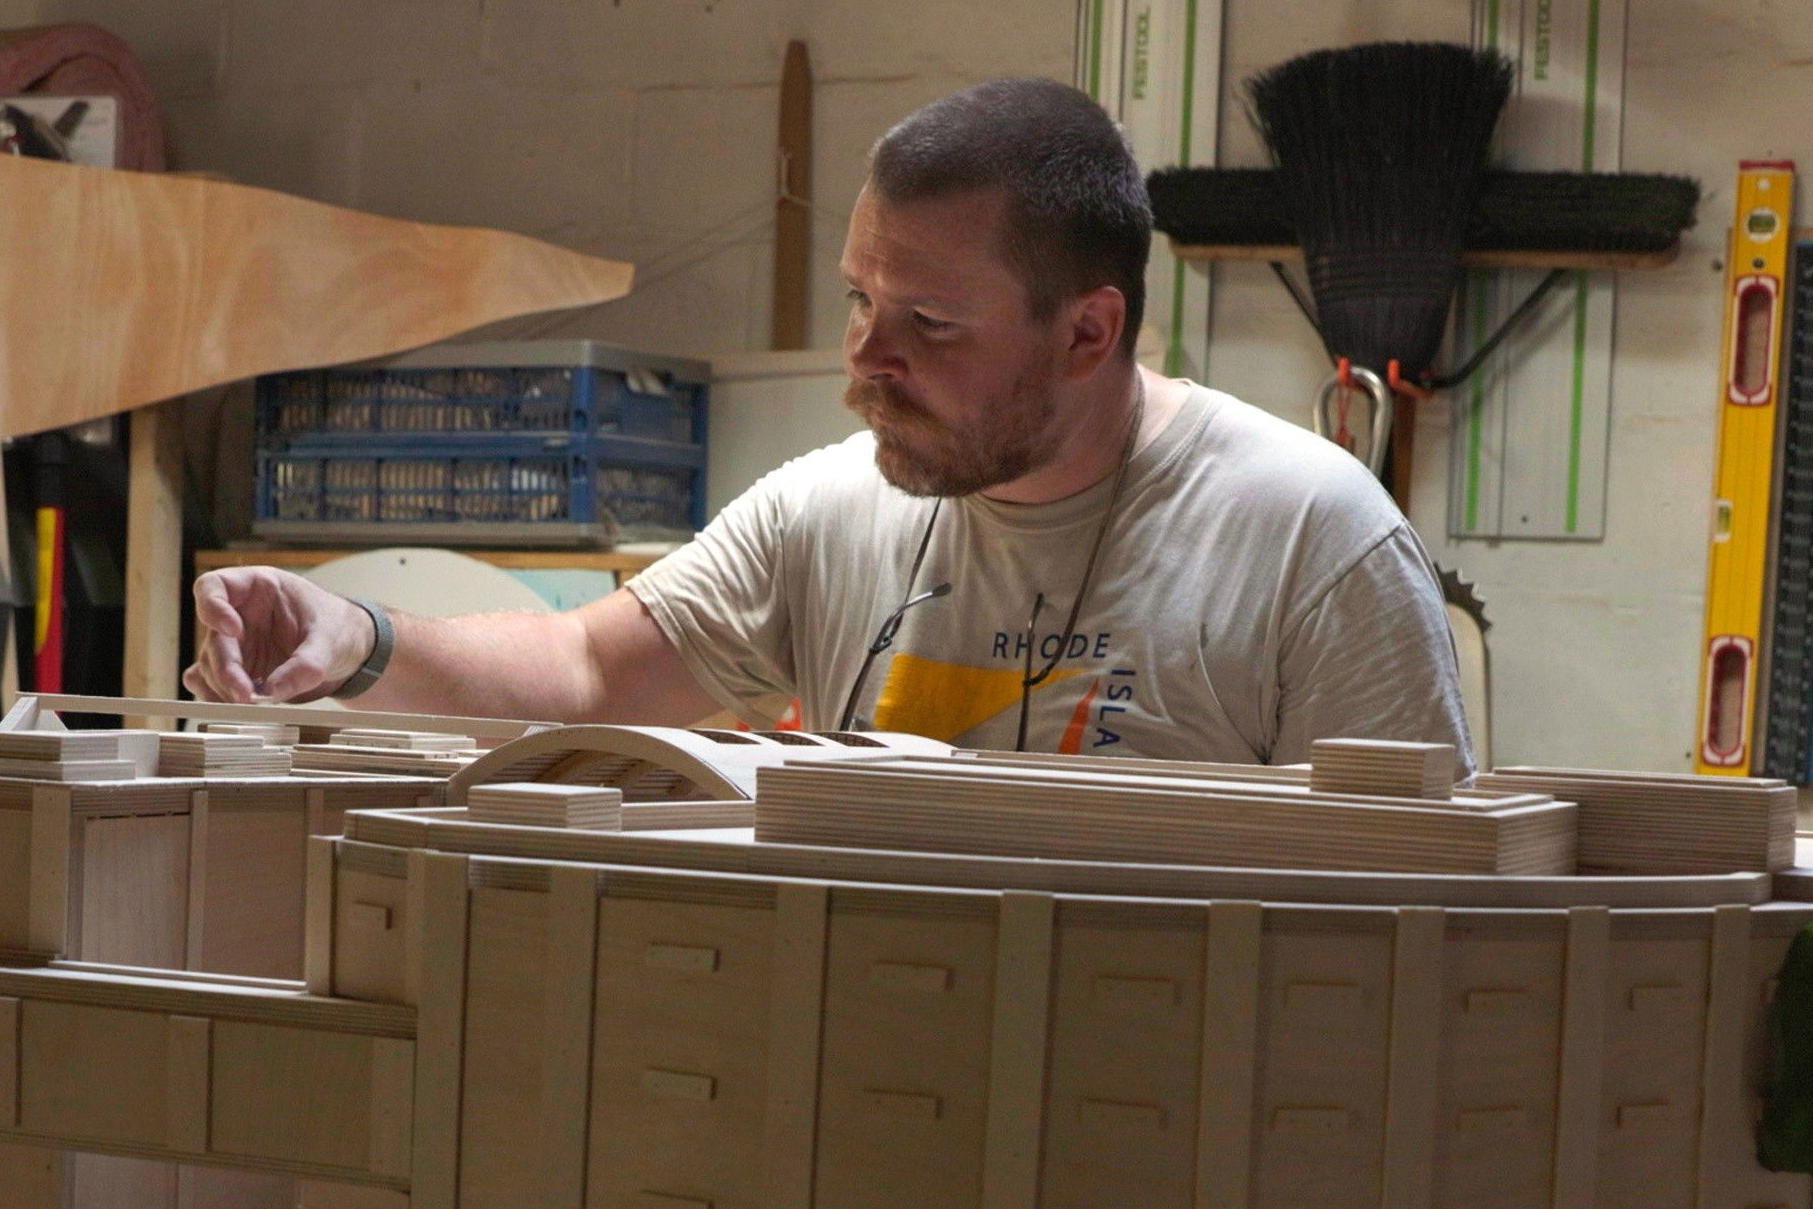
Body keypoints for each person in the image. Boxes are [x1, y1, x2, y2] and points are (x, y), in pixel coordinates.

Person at [186, 77, 1471, 764]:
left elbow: (1422, 908)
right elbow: (586, 674)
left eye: (931, 324)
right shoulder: (831, 510)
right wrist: (355, 635)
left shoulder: (1309, 542)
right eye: (861, 300)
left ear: (1088, 332)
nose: (866, 359)